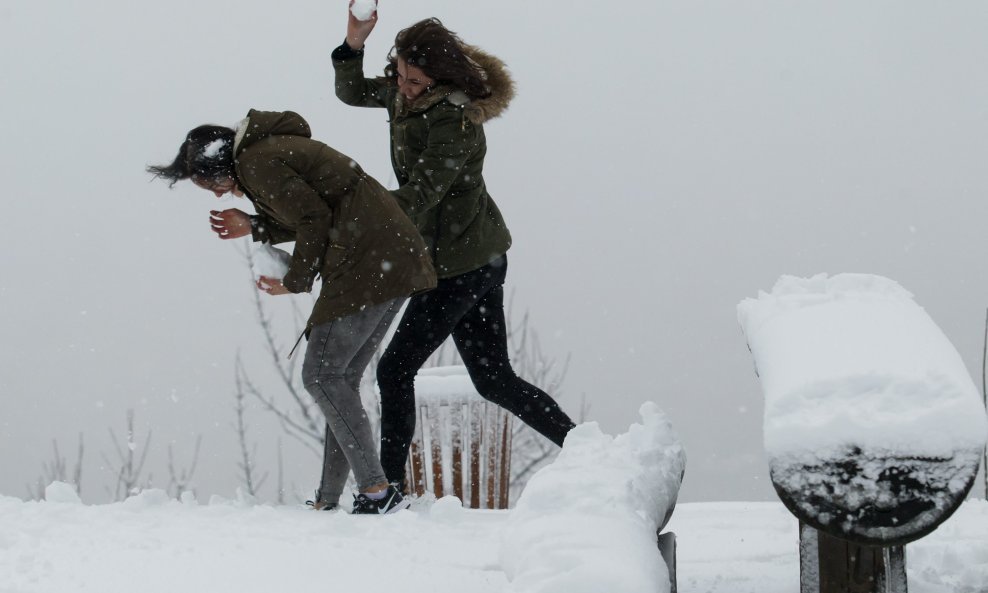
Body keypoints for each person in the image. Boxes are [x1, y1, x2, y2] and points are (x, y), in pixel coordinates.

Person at [331, 10, 577, 494]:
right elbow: (351, 92)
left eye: (415, 81)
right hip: (468, 258)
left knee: (394, 369)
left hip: (463, 265)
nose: (402, 86)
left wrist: (352, 212)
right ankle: (586, 448)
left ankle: (386, 489)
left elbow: (422, 193)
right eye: (399, 74)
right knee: (494, 380)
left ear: (440, 79)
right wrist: (353, 46)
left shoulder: (455, 121)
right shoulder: (404, 95)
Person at [148, 108, 437, 513]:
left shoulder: (256, 162)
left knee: (321, 376)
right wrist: (255, 224)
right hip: (391, 257)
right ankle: (332, 498)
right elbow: (314, 211)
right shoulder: (263, 154)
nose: (215, 194)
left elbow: (314, 217)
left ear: (220, 164)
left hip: (370, 262)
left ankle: (376, 491)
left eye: (210, 185)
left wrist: (294, 280)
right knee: (338, 379)